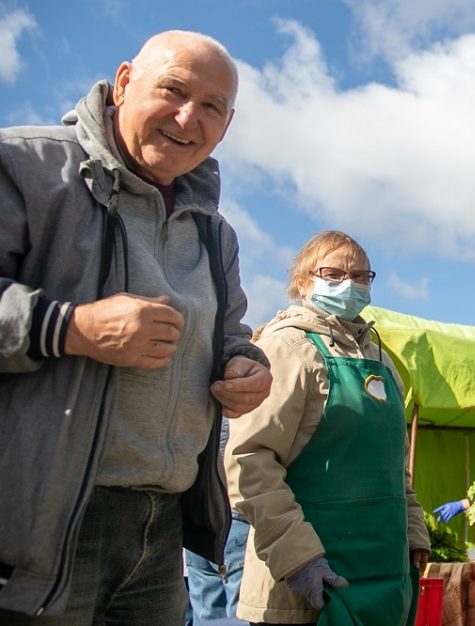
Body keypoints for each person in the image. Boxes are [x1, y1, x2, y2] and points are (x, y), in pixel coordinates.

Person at [0, 30, 272, 623]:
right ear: (123, 83)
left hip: (162, 528)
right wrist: (67, 326)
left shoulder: (215, 232)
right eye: (173, 90)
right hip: (41, 526)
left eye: (211, 108)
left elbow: (230, 334)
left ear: (225, 127)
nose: (187, 117)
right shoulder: (24, 164)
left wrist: (245, 366)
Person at [225, 230, 431, 626]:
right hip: (302, 585)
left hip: (379, 576)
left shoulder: (381, 359)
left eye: (360, 276)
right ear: (303, 282)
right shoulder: (286, 347)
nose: (349, 284)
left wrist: (413, 529)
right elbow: (249, 461)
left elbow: (393, 466)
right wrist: (297, 557)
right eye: (333, 274)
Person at [184, 419, 251, 626]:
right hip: (236, 517)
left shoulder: (201, 402)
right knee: (239, 619)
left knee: (205, 617)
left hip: (201, 518)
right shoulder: (243, 408)